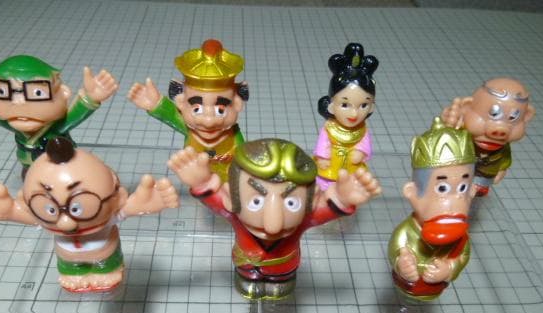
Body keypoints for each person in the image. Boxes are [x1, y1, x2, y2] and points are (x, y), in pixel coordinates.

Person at [169, 138, 381, 299]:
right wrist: (201, 182)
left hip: (284, 268)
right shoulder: (235, 212)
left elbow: (327, 211)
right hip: (246, 265)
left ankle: (278, 283)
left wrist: (342, 199)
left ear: (311, 201)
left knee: (281, 288)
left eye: (291, 203)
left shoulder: (305, 217)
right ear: (230, 197)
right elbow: (213, 200)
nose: (273, 225)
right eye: (256, 201)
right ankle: (249, 280)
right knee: (247, 285)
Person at [0, 137, 178, 293]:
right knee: (72, 269)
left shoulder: (110, 211)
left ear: (116, 196)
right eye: (51, 210)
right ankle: (74, 273)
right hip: (68, 255)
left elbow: (125, 210)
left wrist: (145, 204)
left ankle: (106, 271)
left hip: (104, 250)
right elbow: (28, 215)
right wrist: (8, 211)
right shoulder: (39, 214)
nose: (66, 223)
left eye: (77, 208)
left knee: (107, 266)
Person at [0, 55, 118, 179]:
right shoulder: (14, 123)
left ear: (63, 93)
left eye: (37, 93)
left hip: (63, 167)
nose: (19, 102)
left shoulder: (56, 127)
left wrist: (91, 97)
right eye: (3, 92)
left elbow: (75, 116)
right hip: (30, 169)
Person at [128, 39, 248, 183]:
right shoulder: (191, 131)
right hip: (196, 179)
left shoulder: (234, 136)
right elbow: (172, 115)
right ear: (180, 101)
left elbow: (243, 157)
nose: (208, 122)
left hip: (229, 180)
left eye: (220, 110)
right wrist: (156, 103)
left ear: (238, 102)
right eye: (197, 109)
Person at [388, 117, 477, 302]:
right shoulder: (406, 231)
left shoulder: (460, 238)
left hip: (437, 288)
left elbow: (463, 256)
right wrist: (401, 264)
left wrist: (449, 269)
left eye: (462, 189)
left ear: (472, 192)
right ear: (412, 193)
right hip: (407, 286)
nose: (453, 202)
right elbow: (395, 248)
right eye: (442, 189)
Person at [441, 77, 535, 196]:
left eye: (512, 118)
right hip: (455, 175)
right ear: (466, 108)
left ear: (526, 117)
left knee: (475, 194)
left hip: (483, 177)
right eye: (493, 114)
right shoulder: (459, 137)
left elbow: (504, 161)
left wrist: (501, 170)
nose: (500, 130)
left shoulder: (501, 150)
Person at [314, 42, 378, 191]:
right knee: (325, 185)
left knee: (351, 187)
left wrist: (361, 152)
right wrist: (323, 157)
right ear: (332, 105)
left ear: (371, 106)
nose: (354, 114)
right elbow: (323, 142)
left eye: (363, 105)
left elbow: (364, 142)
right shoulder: (330, 127)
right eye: (344, 105)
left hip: (351, 167)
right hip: (331, 164)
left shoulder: (362, 130)